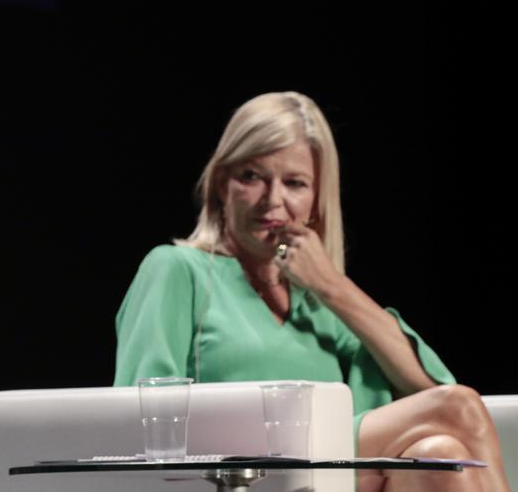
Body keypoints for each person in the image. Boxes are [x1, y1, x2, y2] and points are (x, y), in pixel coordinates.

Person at [113, 92, 509, 492]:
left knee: (440, 454)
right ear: (220, 184)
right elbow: (141, 424)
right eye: (251, 176)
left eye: (295, 183)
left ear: (316, 202)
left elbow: (427, 387)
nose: (273, 200)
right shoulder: (178, 270)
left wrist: (331, 286)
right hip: (240, 474)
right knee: (456, 410)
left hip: (328, 479)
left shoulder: (319, 303)